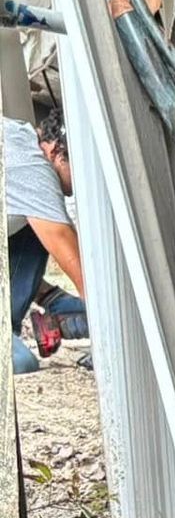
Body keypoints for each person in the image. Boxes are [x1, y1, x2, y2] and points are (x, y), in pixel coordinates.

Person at [6, 106, 85, 374]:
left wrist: (49, 296)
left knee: (38, 219)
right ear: (54, 150)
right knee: (20, 363)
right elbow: (74, 262)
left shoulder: (18, 139)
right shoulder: (32, 168)